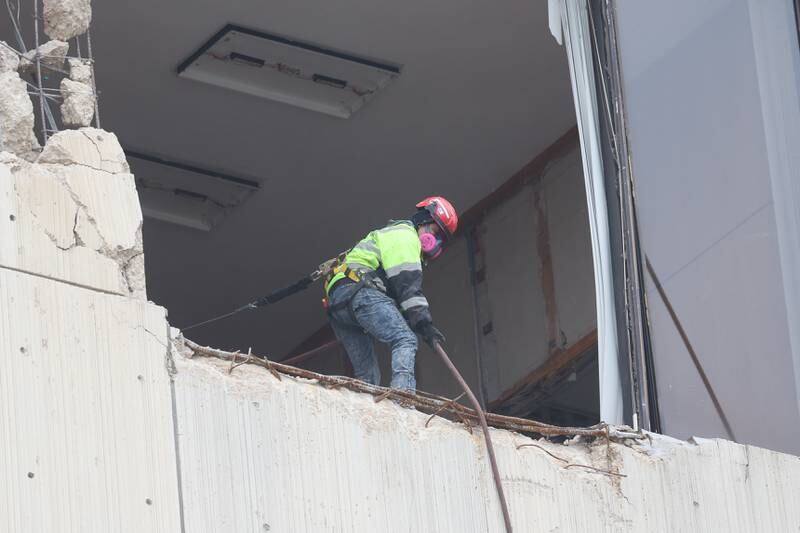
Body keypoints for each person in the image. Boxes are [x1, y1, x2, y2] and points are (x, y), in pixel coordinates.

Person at [323, 196, 458, 391]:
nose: (435, 242)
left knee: (367, 377)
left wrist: (414, 318)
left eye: (441, 240)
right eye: (436, 233)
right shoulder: (406, 237)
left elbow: (398, 297)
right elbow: (408, 288)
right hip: (360, 291)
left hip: (338, 303)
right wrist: (425, 325)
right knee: (405, 339)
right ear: (423, 221)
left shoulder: (391, 235)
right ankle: (402, 398)